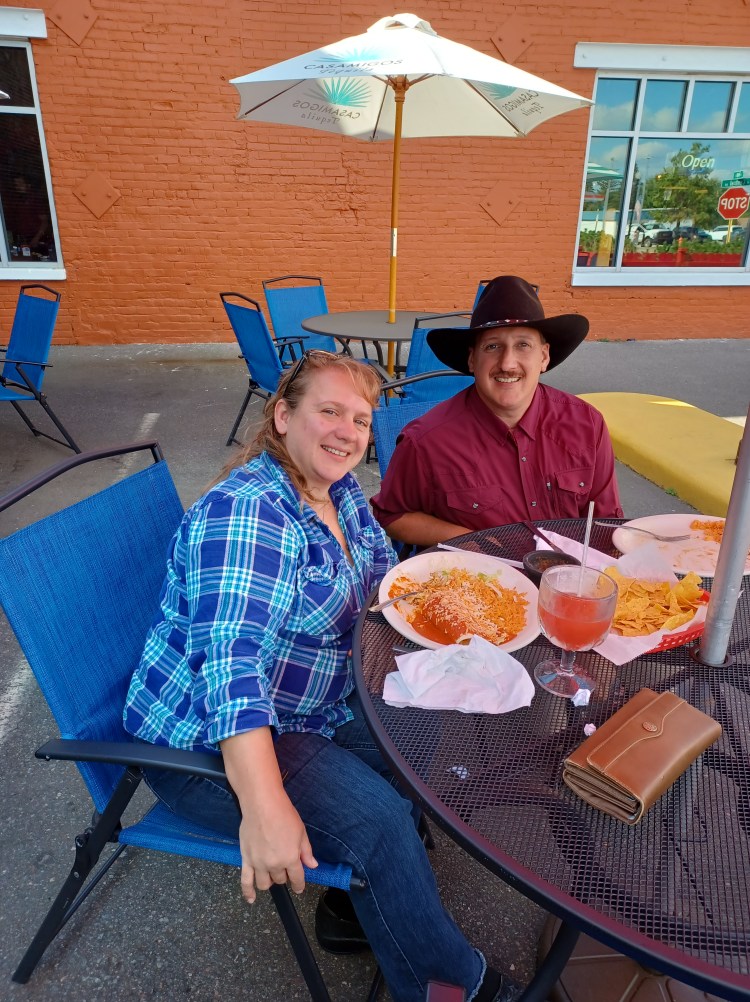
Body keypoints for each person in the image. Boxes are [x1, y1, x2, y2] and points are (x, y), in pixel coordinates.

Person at [123, 350, 519, 1002]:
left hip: (310, 703)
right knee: (381, 821)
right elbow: (231, 667)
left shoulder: (339, 493)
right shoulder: (250, 514)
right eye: (329, 411)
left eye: (360, 420)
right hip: (208, 744)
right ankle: (453, 986)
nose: (347, 432)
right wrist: (265, 807)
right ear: (283, 416)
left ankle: (366, 898)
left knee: (427, 728)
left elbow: (383, 585)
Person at [371, 275, 623, 547]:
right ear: (472, 359)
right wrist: (469, 540)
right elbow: (392, 515)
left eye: (523, 345)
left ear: (544, 356)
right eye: (492, 346)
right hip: (477, 571)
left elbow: (607, 521)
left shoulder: (587, 424)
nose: (507, 363)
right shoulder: (426, 442)